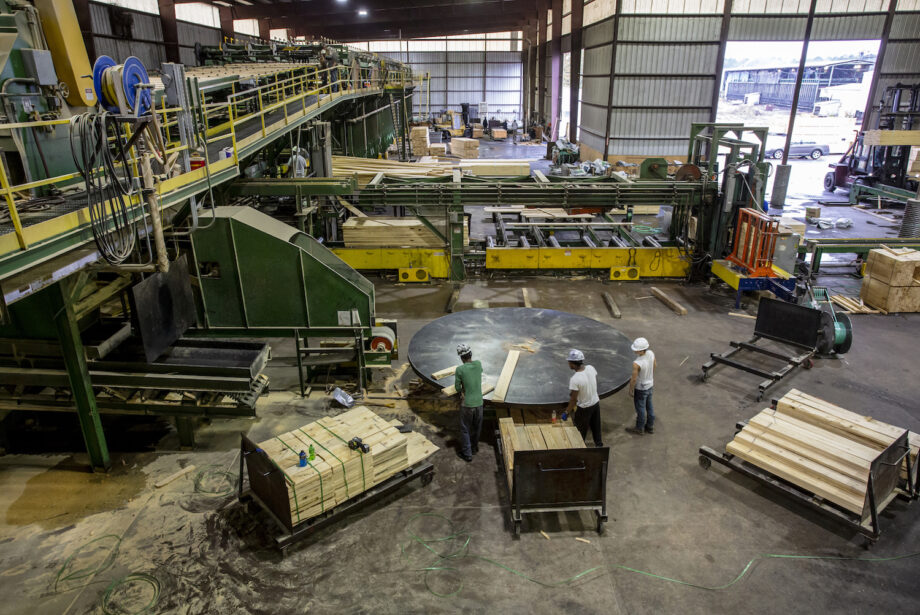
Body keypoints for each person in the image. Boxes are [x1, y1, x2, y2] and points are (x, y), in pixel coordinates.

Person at [564, 349, 603, 447]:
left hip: (584, 408)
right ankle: (599, 445)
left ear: (573, 364)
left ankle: (580, 449)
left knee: (580, 431)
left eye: (569, 362)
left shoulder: (575, 379)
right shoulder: (591, 368)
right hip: (595, 403)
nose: (568, 364)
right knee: (596, 427)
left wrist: (566, 412)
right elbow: (589, 382)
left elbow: (573, 400)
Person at [453, 343, 483, 463]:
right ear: (471, 354)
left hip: (467, 404)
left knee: (465, 429)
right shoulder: (478, 364)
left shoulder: (460, 369)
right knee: (477, 427)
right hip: (479, 402)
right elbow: (478, 373)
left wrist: (462, 390)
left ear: (461, 357)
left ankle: (467, 454)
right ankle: (474, 448)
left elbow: (457, 388)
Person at [626, 337, 656, 435]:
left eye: (636, 349)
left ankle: (640, 428)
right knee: (649, 406)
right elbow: (655, 365)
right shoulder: (651, 353)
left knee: (640, 408)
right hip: (650, 384)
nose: (634, 351)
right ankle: (650, 426)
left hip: (641, 388)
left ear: (641, 350)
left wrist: (631, 390)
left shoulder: (637, 363)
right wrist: (649, 376)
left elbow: (634, 379)